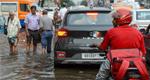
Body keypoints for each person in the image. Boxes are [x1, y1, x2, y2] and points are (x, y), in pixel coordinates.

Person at [94, 8, 146, 80]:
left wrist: (96, 45)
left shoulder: (111, 32)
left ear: (120, 19)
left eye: (114, 18)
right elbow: (143, 52)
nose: (113, 20)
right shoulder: (138, 33)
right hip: (135, 64)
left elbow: (103, 47)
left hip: (115, 62)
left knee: (100, 77)